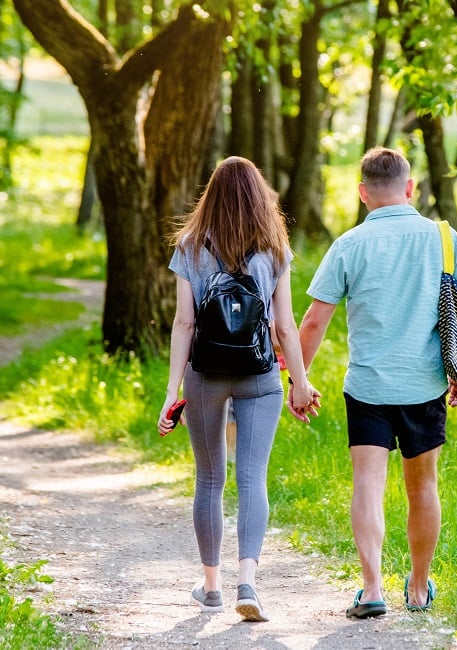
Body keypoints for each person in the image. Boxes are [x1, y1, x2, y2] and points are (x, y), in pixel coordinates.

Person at [296, 146, 457, 618]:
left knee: (368, 484)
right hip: (425, 385)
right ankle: (419, 588)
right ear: (410, 188)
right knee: (423, 487)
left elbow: (316, 321)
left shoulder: (349, 245)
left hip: (368, 389)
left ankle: (373, 587)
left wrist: (297, 379)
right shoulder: (442, 238)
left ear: (362, 193)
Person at [158, 156, 318, 623]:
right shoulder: (275, 247)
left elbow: (184, 322)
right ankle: (247, 581)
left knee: (209, 479)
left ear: (210, 195)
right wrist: (301, 382)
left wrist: (173, 390)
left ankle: (211, 587)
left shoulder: (190, 245)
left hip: (205, 374)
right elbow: (285, 326)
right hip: (259, 375)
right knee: (252, 478)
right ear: (259, 196)